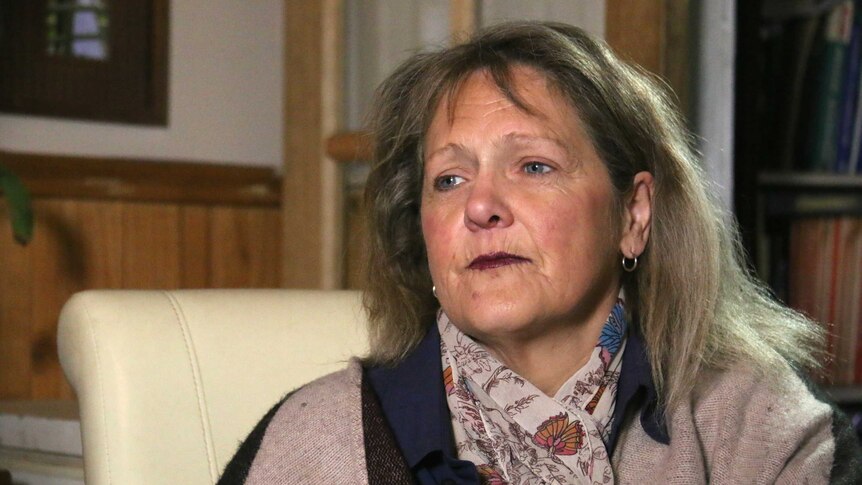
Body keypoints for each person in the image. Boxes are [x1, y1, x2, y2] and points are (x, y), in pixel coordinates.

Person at [219, 21, 861, 484]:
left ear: (633, 215)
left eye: (533, 166)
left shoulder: (759, 429)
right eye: (449, 179)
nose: (480, 206)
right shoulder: (314, 442)